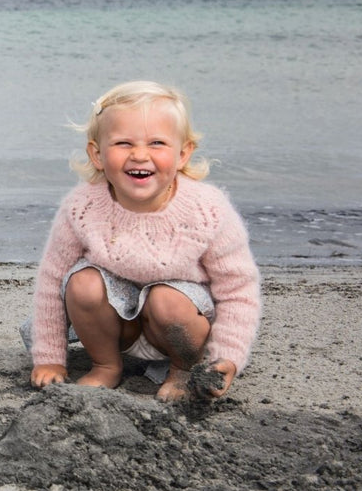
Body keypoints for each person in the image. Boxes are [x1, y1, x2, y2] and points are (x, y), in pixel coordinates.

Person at [26, 80, 261, 401]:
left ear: (183, 153)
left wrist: (227, 357)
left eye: (157, 143)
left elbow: (238, 290)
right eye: (123, 143)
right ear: (97, 154)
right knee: (81, 282)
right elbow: (51, 281)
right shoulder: (82, 208)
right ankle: (106, 365)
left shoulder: (208, 210)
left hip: (180, 327)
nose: (139, 155)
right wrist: (50, 357)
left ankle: (182, 371)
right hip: (113, 329)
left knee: (165, 300)